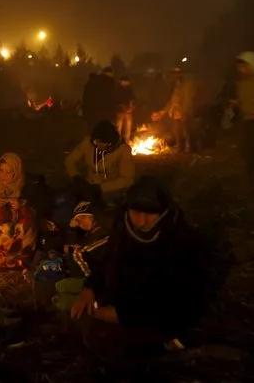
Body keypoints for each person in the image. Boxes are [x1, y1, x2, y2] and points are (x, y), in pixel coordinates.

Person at [70, 178, 206, 354]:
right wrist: (90, 288)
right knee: (77, 314)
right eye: (136, 213)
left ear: (163, 212)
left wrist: (122, 314)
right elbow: (109, 261)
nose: (142, 221)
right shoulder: (124, 226)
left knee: (98, 338)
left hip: (155, 315)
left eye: (150, 214)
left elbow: (173, 297)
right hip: (124, 298)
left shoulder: (179, 241)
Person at [0, 153, 38, 269]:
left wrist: (21, 204)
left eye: (8, 172)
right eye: (1, 170)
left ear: (16, 172)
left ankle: (8, 254)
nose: (3, 176)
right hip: (4, 225)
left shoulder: (29, 187)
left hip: (21, 227)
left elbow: (34, 209)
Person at [52, 201, 109, 311]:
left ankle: (94, 306)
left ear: (92, 217)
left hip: (99, 279)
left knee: (61, 290)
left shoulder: (102, 231)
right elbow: (79, 246)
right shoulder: (90, 234)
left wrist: (74, 250)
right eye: (78, 220)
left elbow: (85, 253)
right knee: (59, 287)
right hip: (91, 277)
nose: (81, 223)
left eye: (83, 218)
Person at [65, 120, 135, 203]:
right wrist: (76, 176)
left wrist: (101, 187)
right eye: (97, 141)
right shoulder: (88, 143)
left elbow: (127, 180)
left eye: (103, 143)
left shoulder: (123, 150)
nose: (99, 145)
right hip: (88, 186)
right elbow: (70, 160)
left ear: (111, 142)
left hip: (111, 192)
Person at [155, 68, 199, 152]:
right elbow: (172, 100)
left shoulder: (188, 84)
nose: (175, 76)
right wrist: (162, 112)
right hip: (176, 112)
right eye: (174, 74)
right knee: (177, 130)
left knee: (187, 131)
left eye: (177, 74)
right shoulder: (176, 85)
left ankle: (189, 147)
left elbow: (188, 99)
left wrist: (185, 111)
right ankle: (179, 147)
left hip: (184, 111)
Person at [234, 51, 254, 189]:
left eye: (243, 66)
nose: (240, 69)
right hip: (246, 120)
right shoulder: (241, 83)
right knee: (247, 152)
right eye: (239, 67)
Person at [115, 76, 135, 142]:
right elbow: (116, 99)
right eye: (125, 82)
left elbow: (132, 97)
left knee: (128, 127)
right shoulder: (117, 89)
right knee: (119, 126)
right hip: (120, 111)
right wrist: (121, 106)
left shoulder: (130, 88)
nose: (126, 83)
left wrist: (131, 105)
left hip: (128, 111)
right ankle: (117, 140)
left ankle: (127, 141)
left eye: (127, 82)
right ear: (121, 82)